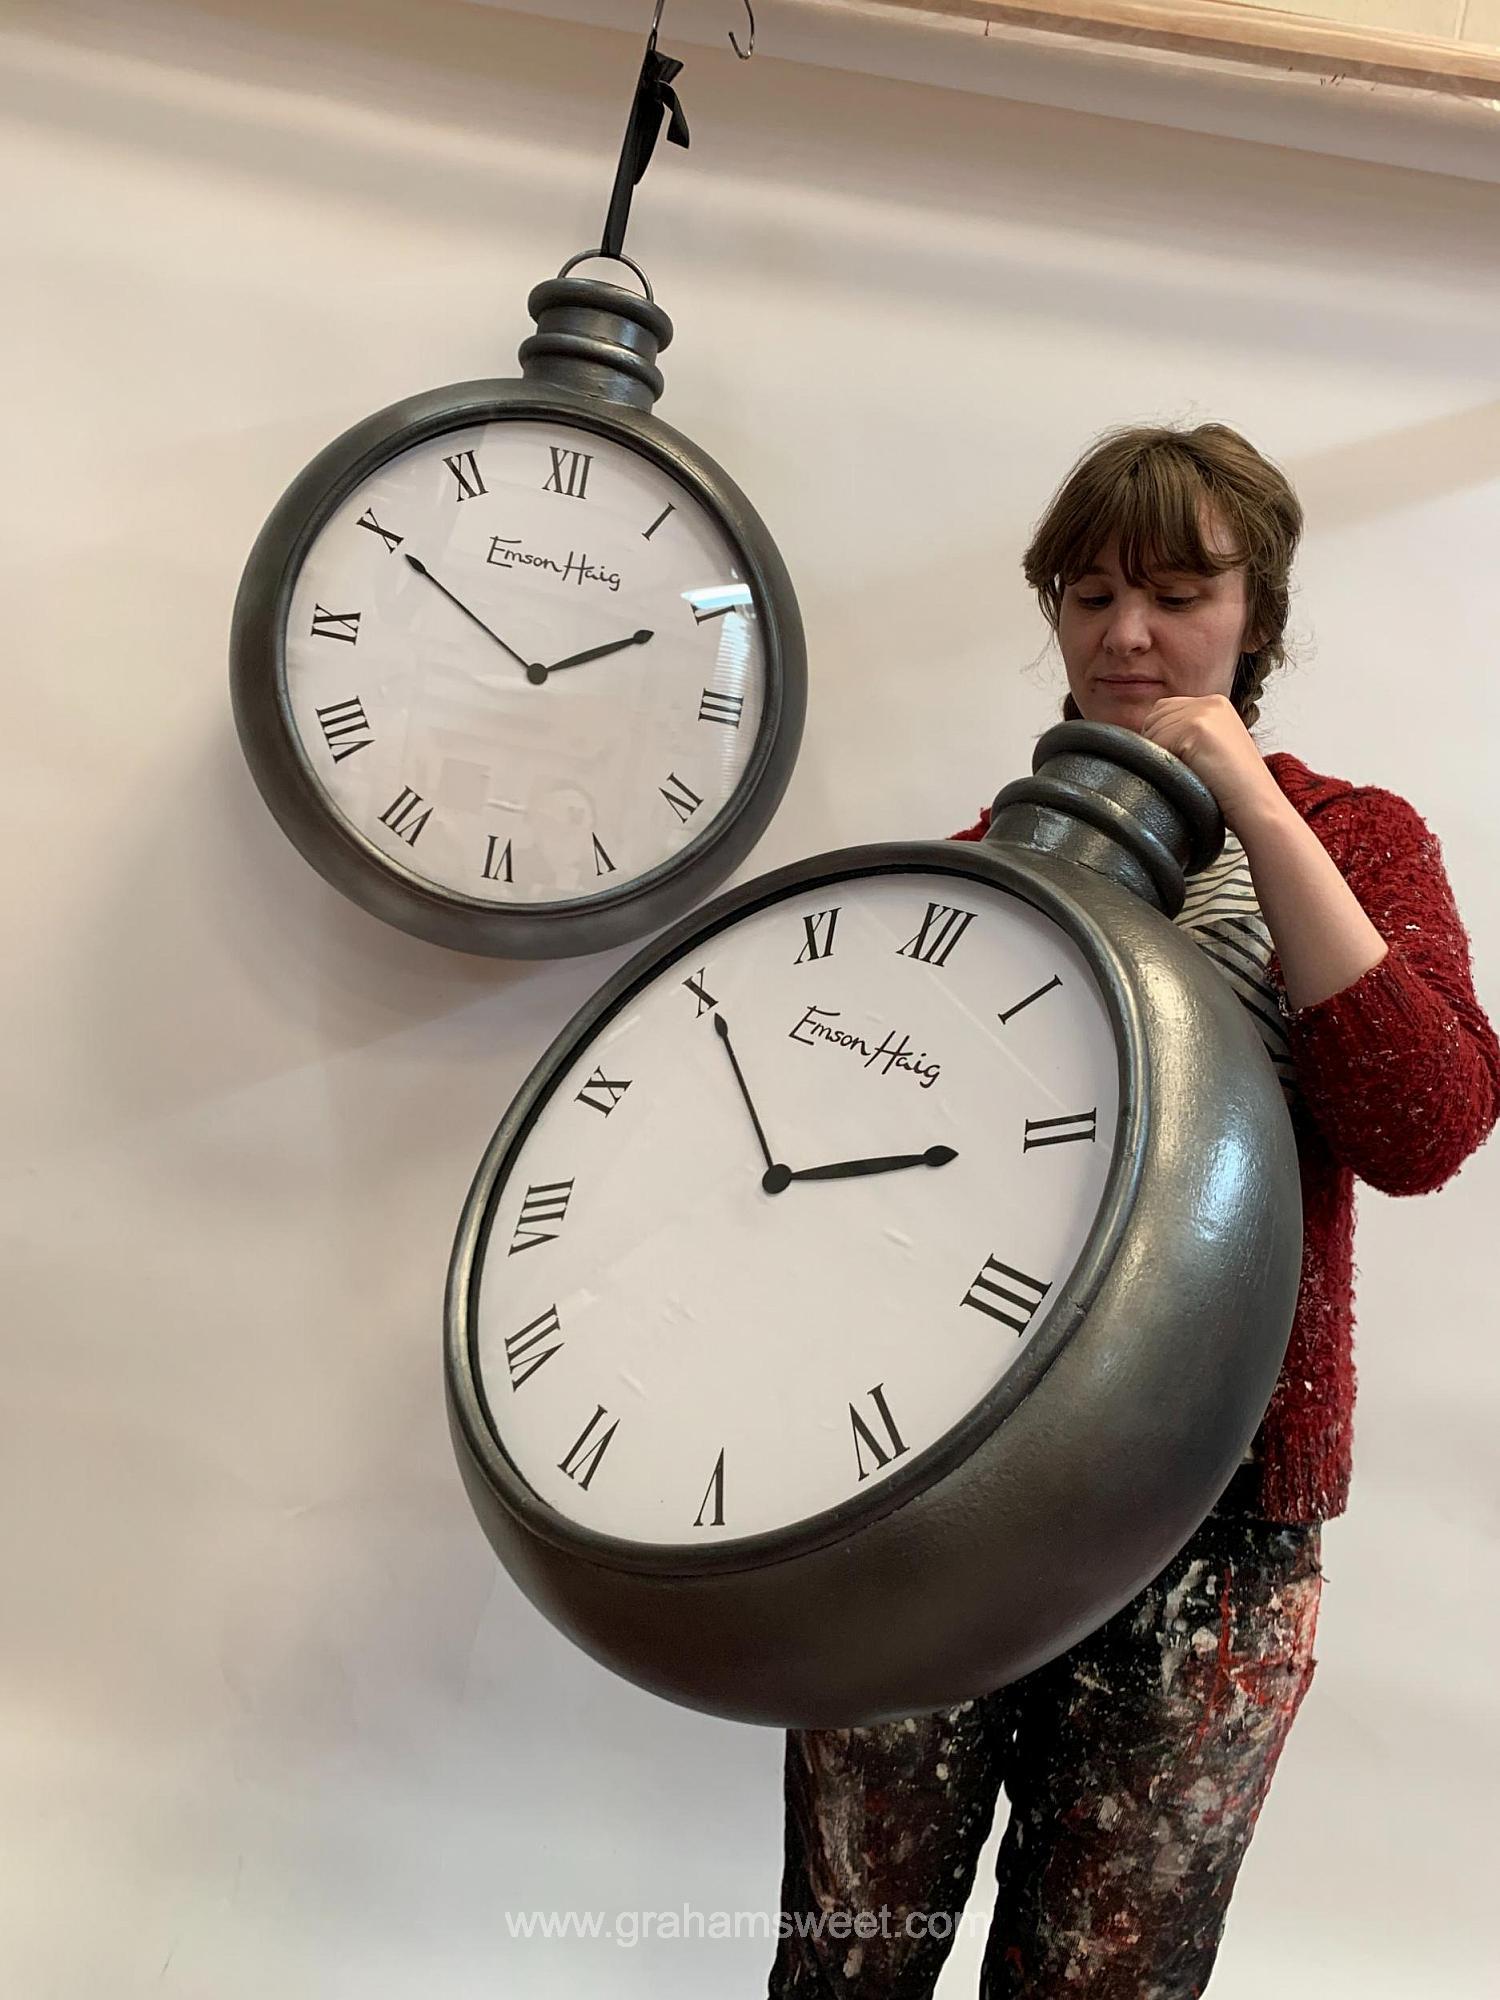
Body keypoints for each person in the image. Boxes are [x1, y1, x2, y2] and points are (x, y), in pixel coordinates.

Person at [766, 422, 1500, 1998]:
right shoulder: (982, 869)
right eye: (1088, 593)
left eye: (1177, 590)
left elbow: (1425, 1125)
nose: (1128, 634)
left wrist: (1247, 795)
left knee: (1107, 1978)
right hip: (941, 1483)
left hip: (1223, 1525)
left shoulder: (1358, 843)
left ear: (1260, 610)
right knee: (848, 1959)